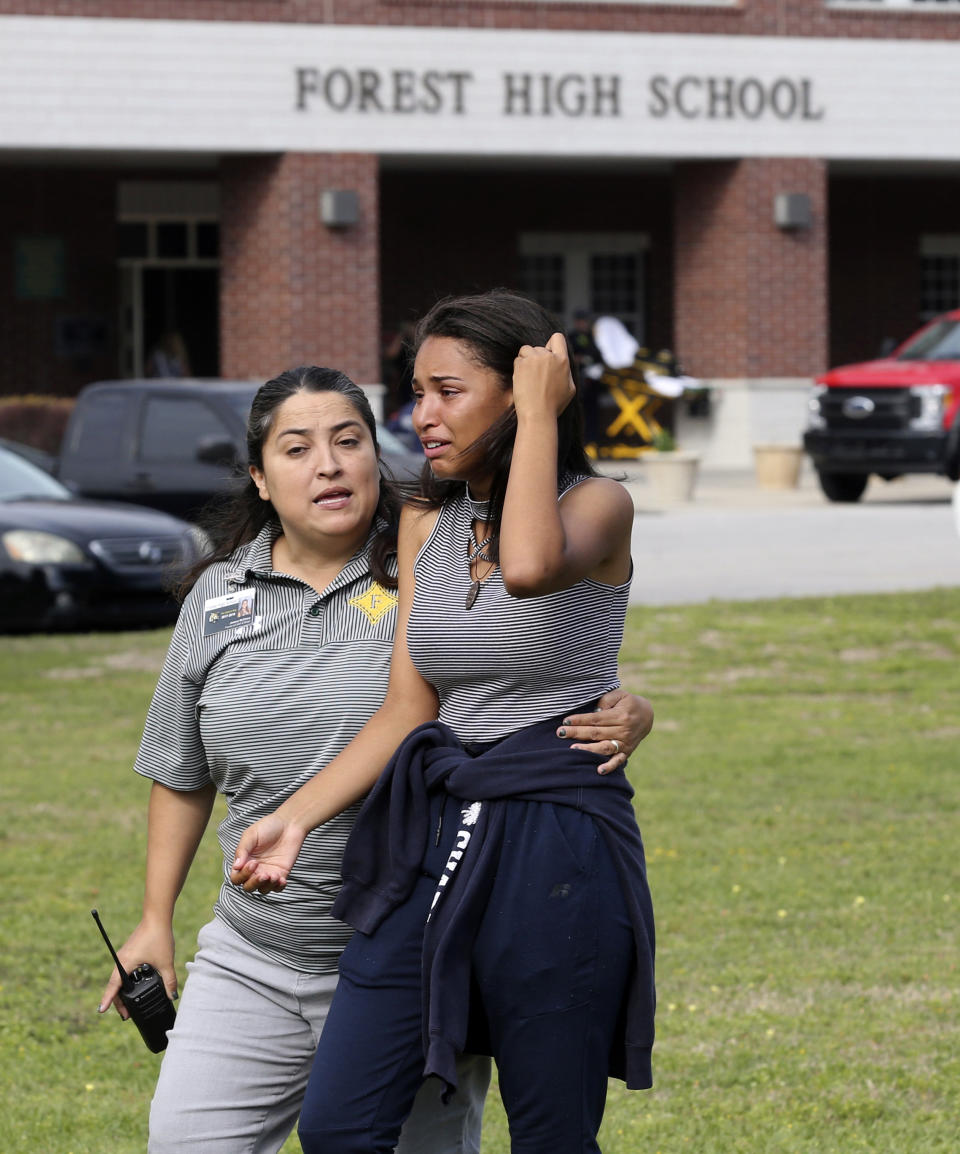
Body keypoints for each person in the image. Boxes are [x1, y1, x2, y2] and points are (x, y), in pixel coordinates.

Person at [98, 363, 653, 1154]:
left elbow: (535, 666)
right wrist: (155, 921)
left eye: (347, 441)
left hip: (414, 949)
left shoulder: (437, 562)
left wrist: (630, 705)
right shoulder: (219, 596)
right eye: (296, 449)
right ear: (259, 476)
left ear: (376, 456)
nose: (327, 464)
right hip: (256, 949)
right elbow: (181, 771)